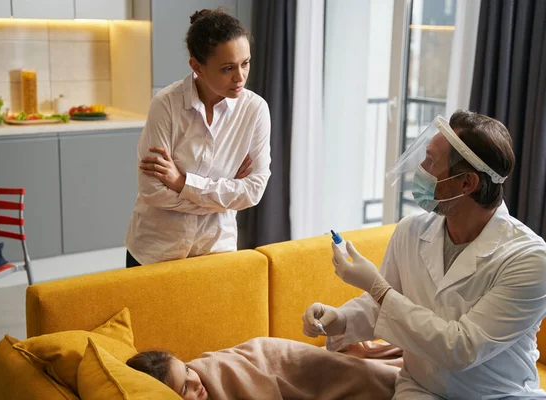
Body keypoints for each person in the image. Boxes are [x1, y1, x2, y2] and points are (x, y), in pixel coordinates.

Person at [303, 110, 546, 398]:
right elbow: (382, 308)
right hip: (419, 389)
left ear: (467, 183)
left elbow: (460, 349)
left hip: (496, 395)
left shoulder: (530, 259)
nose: (421, 168)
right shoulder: (411, 230)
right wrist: (338, 318)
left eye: (431, 161)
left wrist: (377, 287)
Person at [125, 9, 271, 267]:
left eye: (245, 63)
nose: (240, 77)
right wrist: (223, 197)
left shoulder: (255, 110)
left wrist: (182, 183)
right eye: (228, 68)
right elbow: (152, 191)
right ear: (196, 67)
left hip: (215, 252)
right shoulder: (166, 105)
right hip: (155, 252)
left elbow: (253, 191)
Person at [127, 337, 401, 400]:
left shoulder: (212, 372)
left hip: (274, 357)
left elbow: (248, 370)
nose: (196, 382)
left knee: (377, 377)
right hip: (292, 373)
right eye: (184, 388)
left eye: (187, 370)